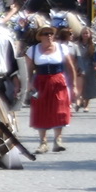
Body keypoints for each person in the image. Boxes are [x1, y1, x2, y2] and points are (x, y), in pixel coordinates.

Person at [26, 24, 77, 153]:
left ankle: (58, 139)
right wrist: (29, 83)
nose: (49, 36)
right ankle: (43, 142)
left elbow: (70, 67)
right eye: (45, 34)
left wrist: (74, 85)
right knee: (40, 110)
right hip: (41, 82)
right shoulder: (32, 50)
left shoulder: (61, 48)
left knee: (60, 109)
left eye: (51, 33)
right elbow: (28, 69)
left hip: (58, 81)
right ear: (40, 37)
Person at [74, 25, 96, 113]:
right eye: (83, 33)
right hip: (79, 67)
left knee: (88, 87)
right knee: (79, 87)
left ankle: (86, 105)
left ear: (90, 34)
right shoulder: (76, 45)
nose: (85, 35)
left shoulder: (94, 45)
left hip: (90, 68)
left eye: (87, 33)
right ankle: (78, 102)